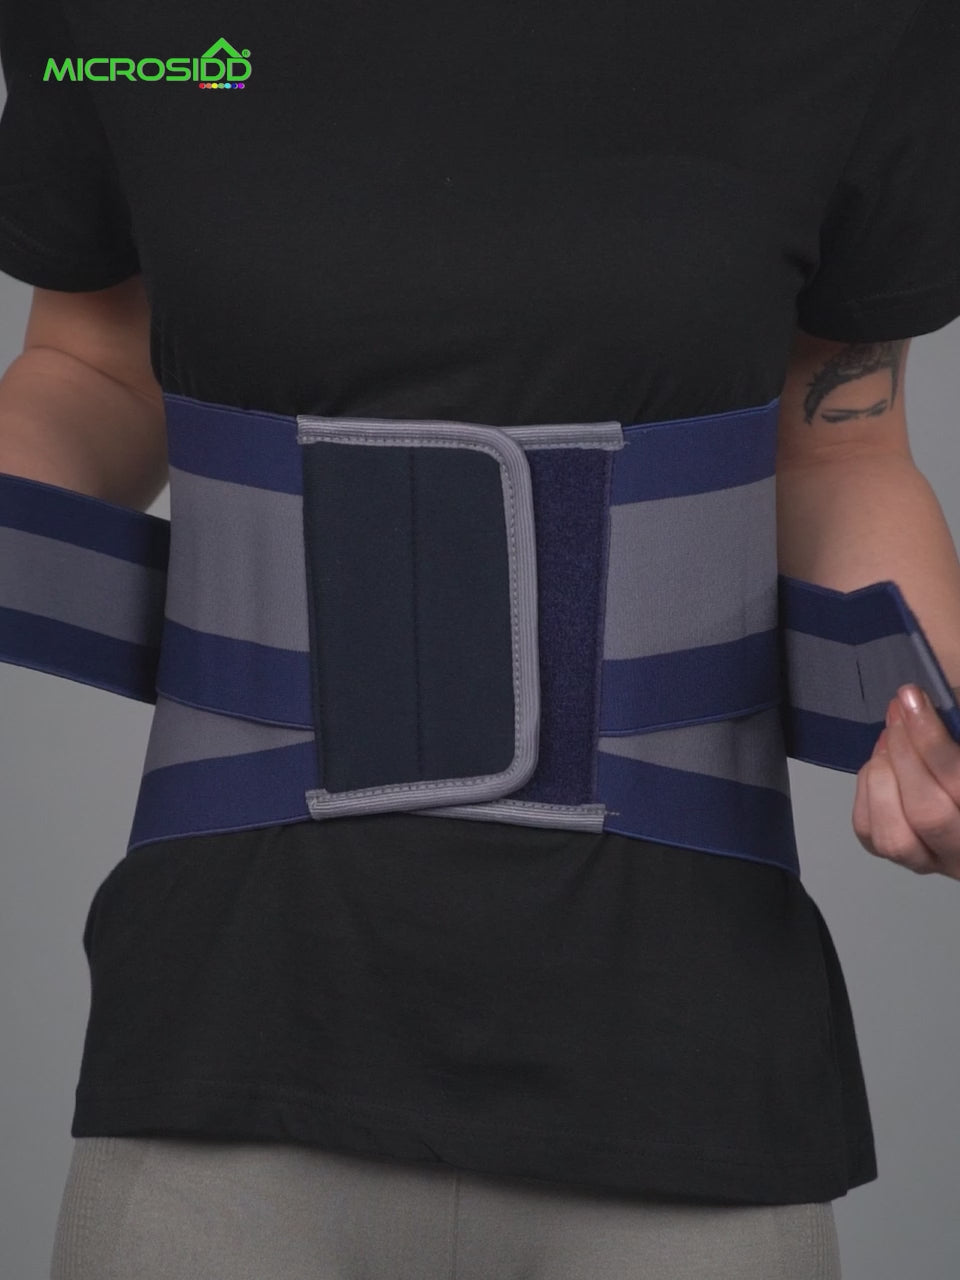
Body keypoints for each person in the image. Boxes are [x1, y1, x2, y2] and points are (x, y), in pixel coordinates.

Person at [1, 0, 959, 1277]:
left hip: (686, 1065)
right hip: (228, 1043)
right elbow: (95, 365)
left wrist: (941, 723)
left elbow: (839, 444)